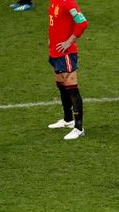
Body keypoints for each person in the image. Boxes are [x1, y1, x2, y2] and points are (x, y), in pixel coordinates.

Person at [46, 0, 89, 140]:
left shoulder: (68, 2)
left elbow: (82, 23)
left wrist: (69, 42)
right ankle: (68, 120)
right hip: (55, 51)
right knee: (61, 85)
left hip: (66, 54)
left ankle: (78, 128)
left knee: (72, 89)